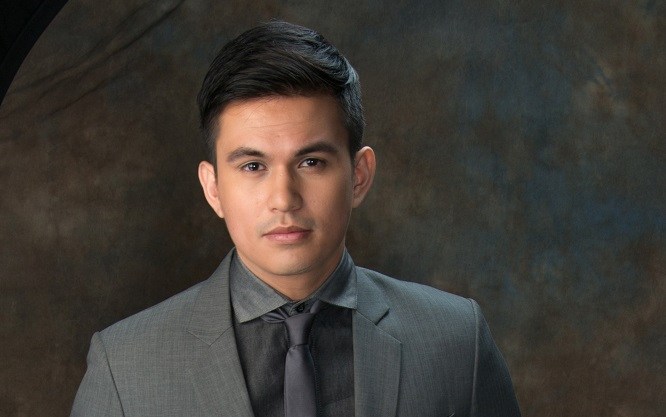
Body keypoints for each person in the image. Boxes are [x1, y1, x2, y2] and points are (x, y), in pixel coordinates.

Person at [70, 20, 521, 417]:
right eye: (253, 166)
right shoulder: (124, 365)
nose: (283, 199)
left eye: (311, 162)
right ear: (213, 188)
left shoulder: (457, 342)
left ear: (359, 175)